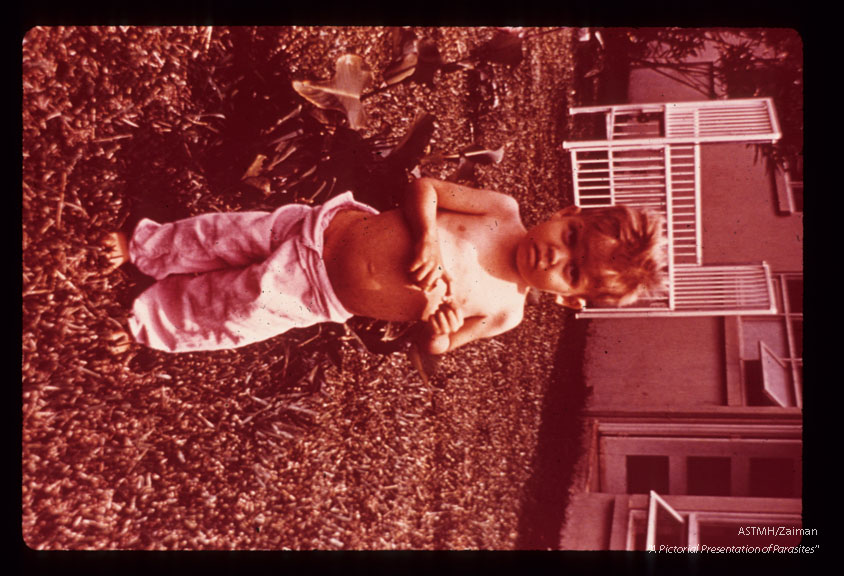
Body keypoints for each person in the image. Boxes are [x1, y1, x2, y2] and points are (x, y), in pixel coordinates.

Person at [107, 177, 667, 355]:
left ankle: (145, 324)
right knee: (221, 235)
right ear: (568, 214)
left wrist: (439, 332)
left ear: (570, 297)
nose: (554, 254)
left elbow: (438, 346)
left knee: (235, 311)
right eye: (570, 237)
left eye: (571, 271)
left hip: (316, 297)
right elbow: (423, 187)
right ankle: (145, 249)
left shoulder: (504, 313)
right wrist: (426, 237)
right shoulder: (501, 212)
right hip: (318, 229)